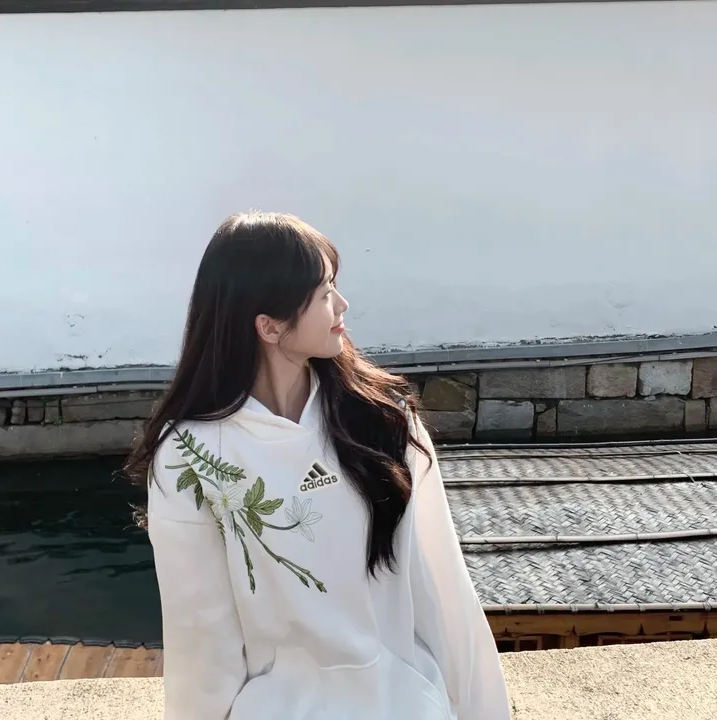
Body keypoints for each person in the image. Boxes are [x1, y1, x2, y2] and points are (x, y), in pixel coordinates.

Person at [126, 212, 511, 720]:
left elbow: (442, 587)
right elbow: (200, 636)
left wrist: (485, 711)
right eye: (324, 292)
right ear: (269, 325)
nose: (342, 304)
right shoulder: (192, 456)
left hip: (403, 705)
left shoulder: (383, 421)